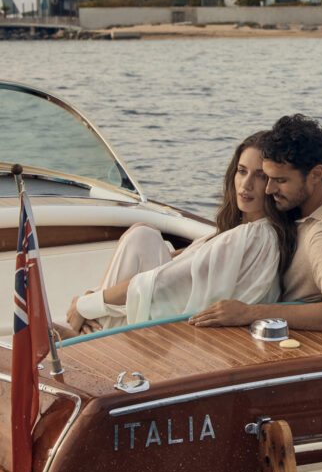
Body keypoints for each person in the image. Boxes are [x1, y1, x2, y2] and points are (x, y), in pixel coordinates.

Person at [65, 132, 296, 334]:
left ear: (274, 184)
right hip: (187, 319)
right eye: (242, 171)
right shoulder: (247, 232)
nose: (246, 185)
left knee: (141, 243)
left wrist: (86, 304)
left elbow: (160, 283)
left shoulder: (252, 237)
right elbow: (193, 259)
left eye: (260, 176)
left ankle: (87, 332)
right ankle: (91, 325)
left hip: (182, 331)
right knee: (143, 235)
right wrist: (94, 297)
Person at [189, 114, 322, 332]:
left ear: (316, 174)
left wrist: (249, 313)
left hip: (297, 341)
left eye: (281, 181)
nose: (268, 189)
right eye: (268, 177)